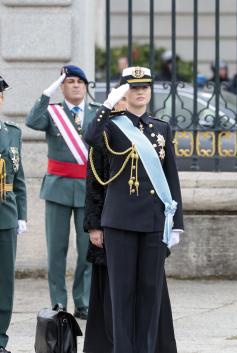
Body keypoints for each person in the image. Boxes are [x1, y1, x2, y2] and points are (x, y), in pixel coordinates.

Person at [84, 66, 183, 353]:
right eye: (133, 87)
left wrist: (176, 222)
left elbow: (170, 176)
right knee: (122, 294)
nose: (140, 92)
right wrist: (106, 105)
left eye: (144, 87)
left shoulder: (161, 128)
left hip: (153, 222)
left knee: (150, 295)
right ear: (124, 92)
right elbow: (89, 137)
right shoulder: (111, 126)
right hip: (120, 222)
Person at [25, 65, 97, 319]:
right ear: (62, 87)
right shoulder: (52, 113)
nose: (76, 85)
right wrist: (47, 93)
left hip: (88, 192)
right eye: (70, 81)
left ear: (86, 87)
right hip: (57, 189)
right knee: (57, 250)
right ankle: (58, 301)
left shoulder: (97, 114)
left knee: (87, 248)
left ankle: (83, 301)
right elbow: (32, 121)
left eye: (80, 81)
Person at [0, 75, 27, 353]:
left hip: (5, 215)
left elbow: (18, 179)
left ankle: (0, 339)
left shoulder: (12, 132)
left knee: (4, 283)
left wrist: (22, 215)